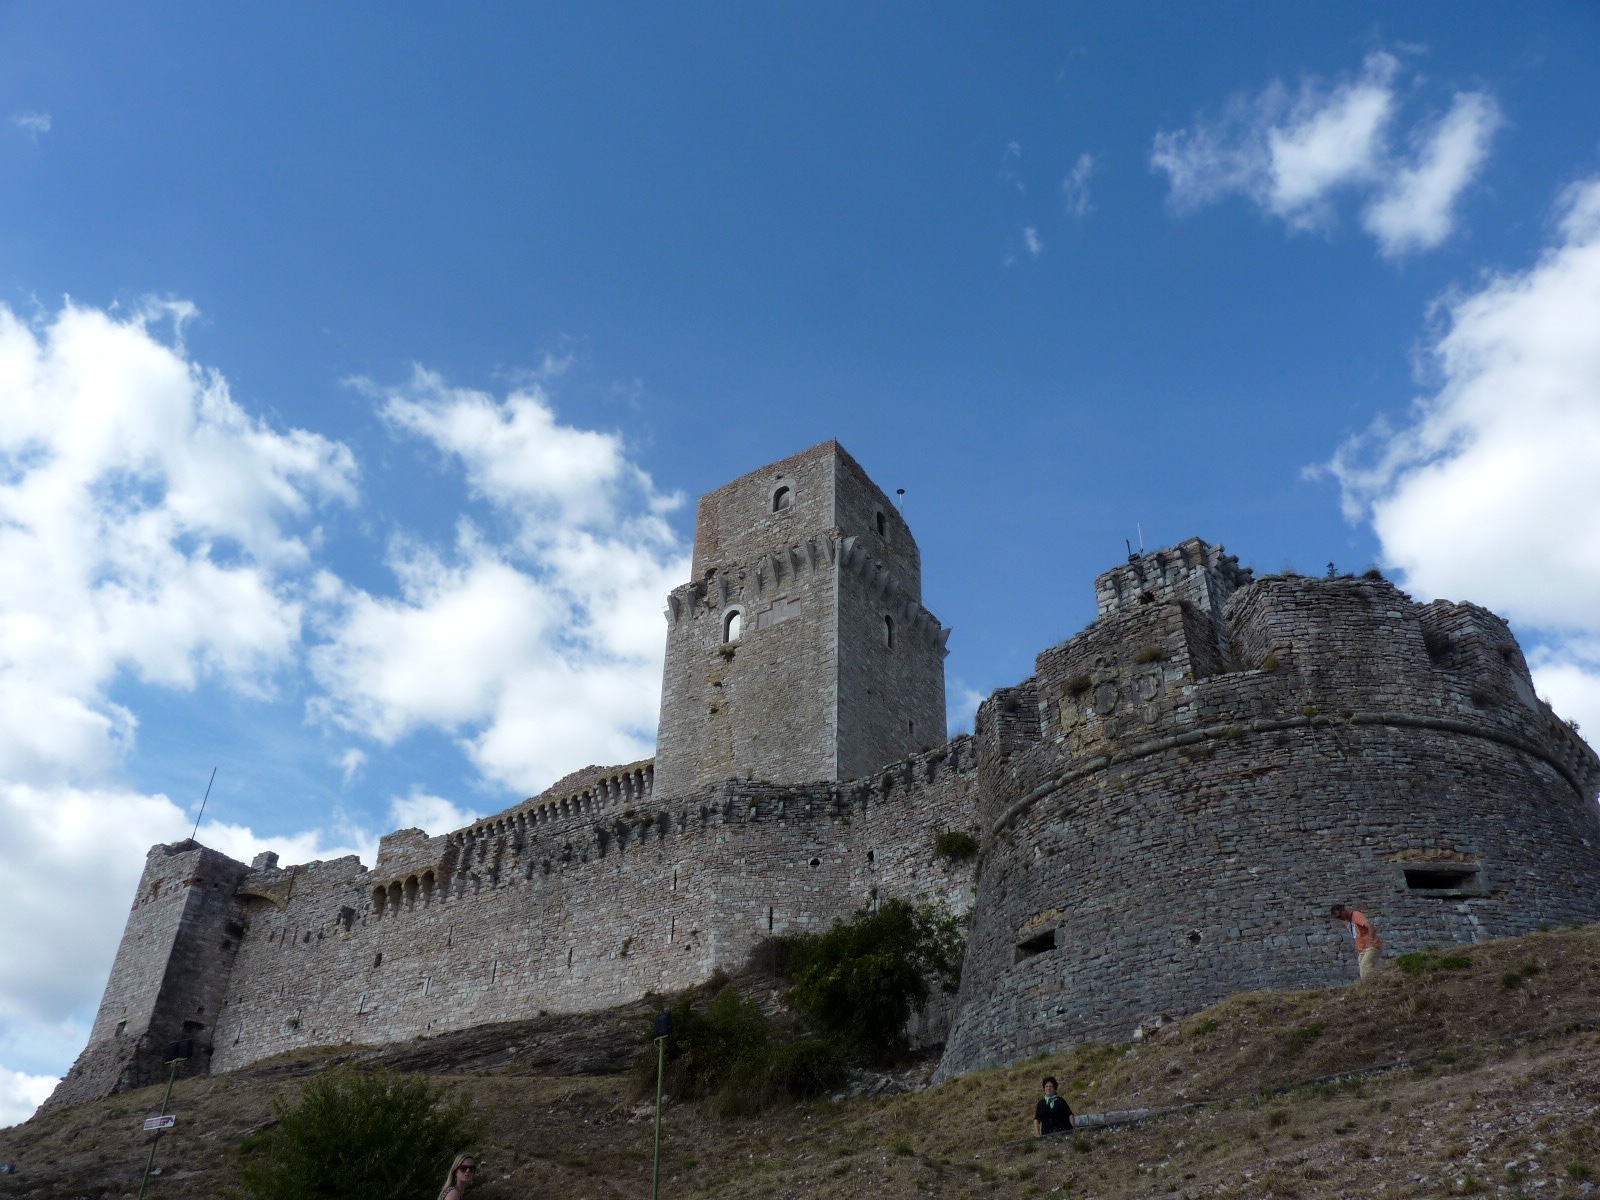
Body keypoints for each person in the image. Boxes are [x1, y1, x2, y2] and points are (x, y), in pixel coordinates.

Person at [1330, 903, 1382, 979]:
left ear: (1343, 910)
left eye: (1339, 916)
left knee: (1365, 967)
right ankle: (1371, 985)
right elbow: (1356, 935)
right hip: (1362, 949)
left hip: (1372, 946)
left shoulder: (1356, 915)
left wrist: (1370, 939)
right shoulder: (1346, 921)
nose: (1340, 918)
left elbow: (1369, 926)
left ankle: (1371, 986)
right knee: (1363, 972)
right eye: (1337, 918)